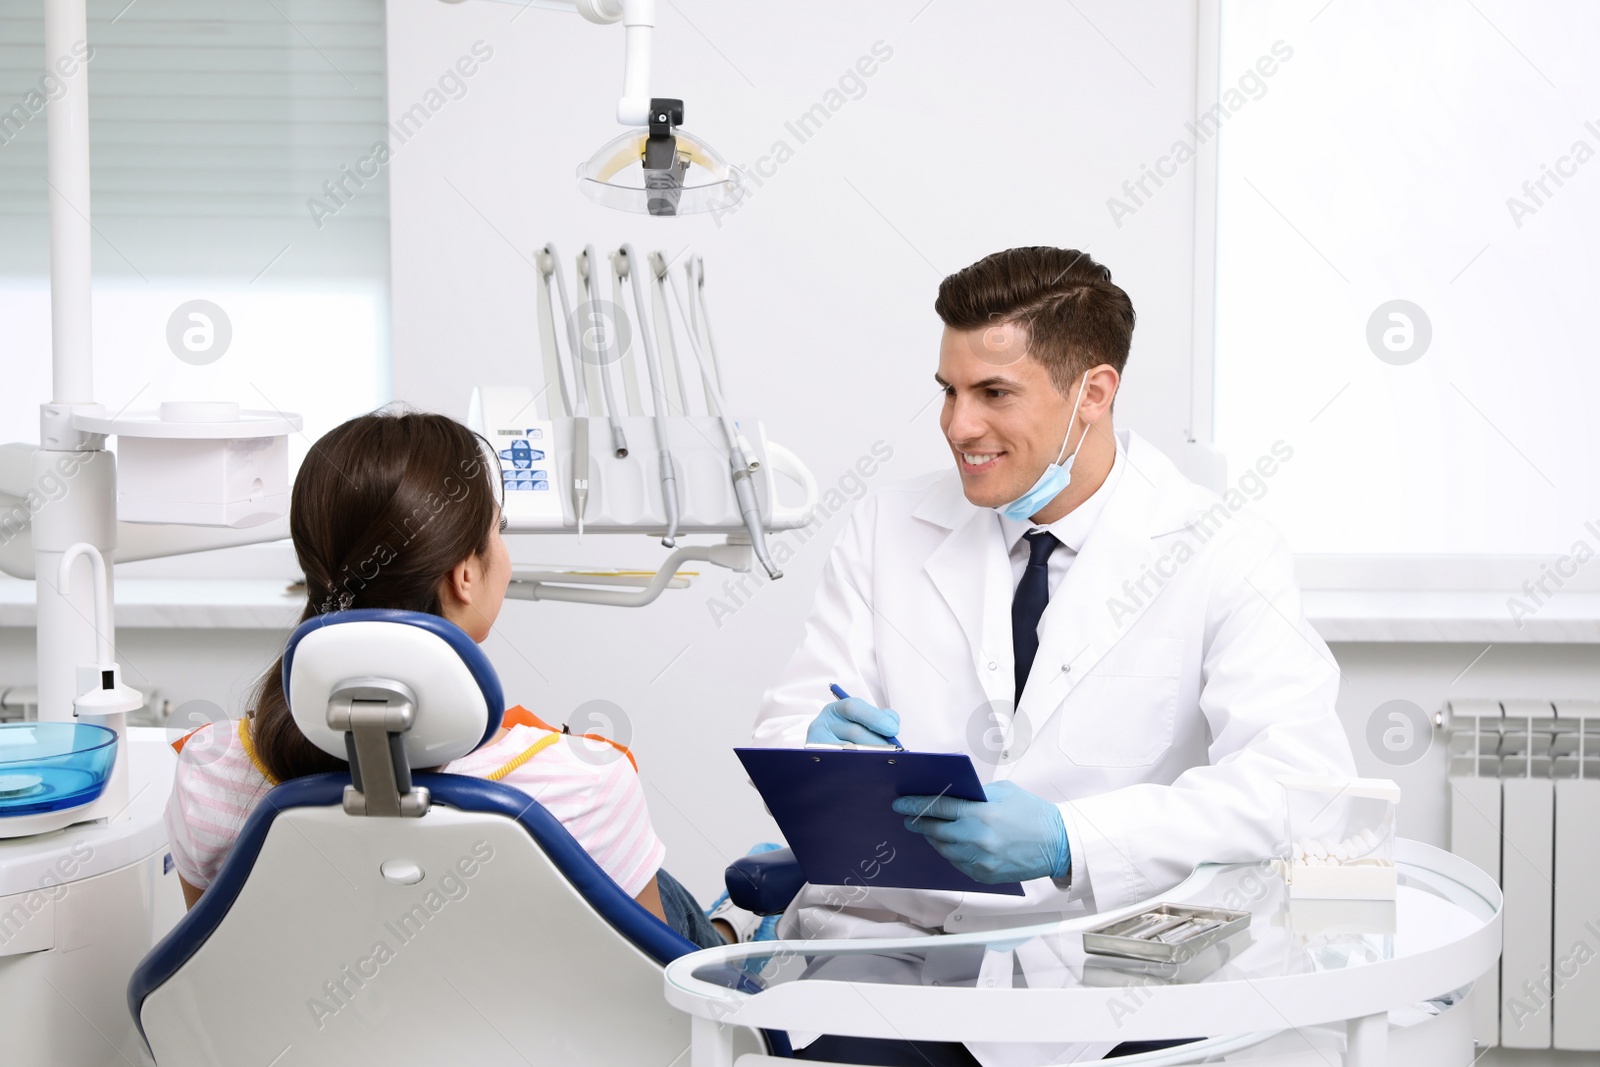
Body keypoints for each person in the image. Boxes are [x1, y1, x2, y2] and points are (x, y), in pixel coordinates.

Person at [753, 247, 1357, 1065]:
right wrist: (813, 746)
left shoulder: (1222, 547)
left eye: (993, 393)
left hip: (1119, 965)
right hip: (908, 956)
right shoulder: (883, 529)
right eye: (949, 391)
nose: (959, 426)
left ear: (1093, 394)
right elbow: (791, 718)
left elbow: (1300, 782)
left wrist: (1075, 841)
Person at [165, 410, 755, 949]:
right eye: (498, 529)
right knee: (676, 907)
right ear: (465, 573)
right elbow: (660, 1012)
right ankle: (737, 930)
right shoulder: (579, 785)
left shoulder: (211, 774)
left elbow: (214, 983)